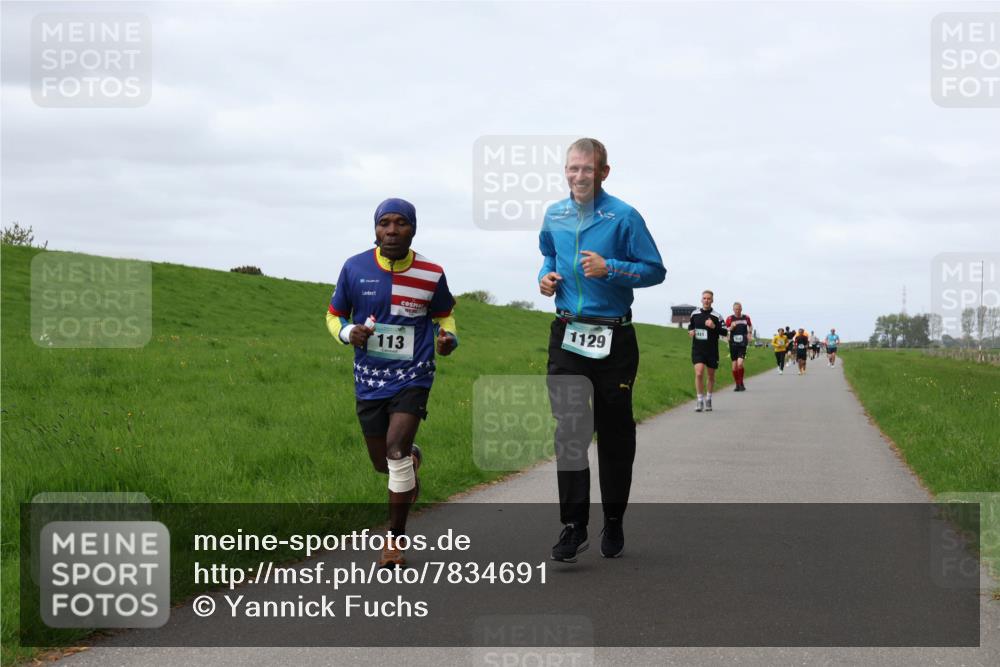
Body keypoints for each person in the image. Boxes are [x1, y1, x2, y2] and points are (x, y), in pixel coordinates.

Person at [538, 137, 665, 563]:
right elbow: (547, 256)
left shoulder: (624, 217)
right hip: (568, 335)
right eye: (572, 169)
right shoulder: (554, 214)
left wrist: (611, 268)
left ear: (604, 172)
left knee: (614, 432)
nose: (578, 177)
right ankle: (573, 526)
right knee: (570, 431)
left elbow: (654, 270)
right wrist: (546, 278)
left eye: (587, 170)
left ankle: (613, 519)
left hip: (615, 339)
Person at [327, 198, 458, 567]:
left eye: (401, 223)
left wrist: (449, 340)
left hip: (414, 375)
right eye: (385, 223)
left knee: (395, 451)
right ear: (375, 229)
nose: (392, 230)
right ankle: (412, 461)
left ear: (413, 229)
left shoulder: (431, 273)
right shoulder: (354, 268)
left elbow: (445, 317)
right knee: (381, 463)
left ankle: (394, 543)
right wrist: (348, 331)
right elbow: (333, 314)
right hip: (369, 379)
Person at [688, 290, 728, 411]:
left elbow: (725, 332)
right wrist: (690, 331)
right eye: (704, 298)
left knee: (710, 376)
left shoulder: (717, 316)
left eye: (708, 298)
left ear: (712, 300)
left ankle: (709, 398)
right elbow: (691, 326)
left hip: (711, 350)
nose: (706, 300)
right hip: (698, 349)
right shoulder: (694, 314)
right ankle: (700, 400)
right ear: (701, 300)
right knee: (699, 373)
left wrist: (714, 326)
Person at [725, 302, 753, 391]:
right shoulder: (730, 318)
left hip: (742, 343)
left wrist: (749, 333)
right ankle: (737, 384)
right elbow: (726, 329)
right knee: (734, 366)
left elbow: (750, 326)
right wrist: (731, 328)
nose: (737, 310)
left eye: (739, 308)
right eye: (736, 309)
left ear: (741, 309)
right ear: (733, 309)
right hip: (733, 343)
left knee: (740, 364)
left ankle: (741, 383)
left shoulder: (746, 317)